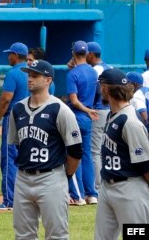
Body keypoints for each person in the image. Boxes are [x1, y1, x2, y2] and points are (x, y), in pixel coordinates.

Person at [8, 60, 83, 239]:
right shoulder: (17, 109)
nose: (30, 79)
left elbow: (75, 150)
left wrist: (65, 175)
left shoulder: (60, 110)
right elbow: (18, 144)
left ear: (48, 80)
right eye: (29, 75)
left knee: (56, 234)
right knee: (23, 235)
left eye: (35, 76)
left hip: (51, 177)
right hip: (23, 178)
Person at [94, 68, 149, 240]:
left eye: (100, 85)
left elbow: (145, 164)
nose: (99, 89)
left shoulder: (130, 121)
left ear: (106, 88)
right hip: (107, 187)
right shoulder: (112, 115)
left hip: (130, 190)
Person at [0, 42, 29, 211]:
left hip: (14, 118)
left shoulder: (14, 73)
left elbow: (6, 99)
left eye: (10, 54)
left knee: (10, 159)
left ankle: (9, 200)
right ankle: (25, 198)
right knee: (27, 159)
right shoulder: (33, 72)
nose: (8, 57)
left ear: (15, 55)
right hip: (31, 119)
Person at [66, 40, 99, 206]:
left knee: (74, 155)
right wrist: (89, 110)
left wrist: (85, 109)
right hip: (88, 118)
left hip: (77, 116)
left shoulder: (72, 74)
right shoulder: (93, 72)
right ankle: (91, 194)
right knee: (86, 155)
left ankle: (77, 196)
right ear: (87, 53)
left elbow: (73, 100)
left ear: (73, 53)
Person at [87, 41, 113, 193]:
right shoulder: (109, 67)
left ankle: (98, 187)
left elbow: (96, 93)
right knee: (105, 149)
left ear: (90, 54)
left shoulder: (95, 70)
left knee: (95, 151)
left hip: (99, 111)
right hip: (111, 111)